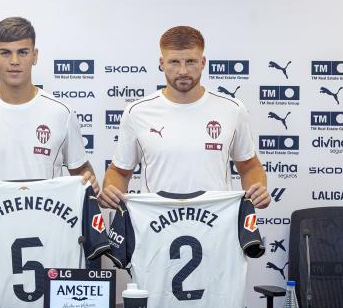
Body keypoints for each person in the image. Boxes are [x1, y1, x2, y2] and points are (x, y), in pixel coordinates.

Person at [98, 26, 270, 209]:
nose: (183, 71)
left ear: (203, 62)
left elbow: (249, 166)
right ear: (162, 63)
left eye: (190, 61)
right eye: (174, 62)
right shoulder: (137, 111)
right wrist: (111, 191)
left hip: (217, 225)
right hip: (156, 225)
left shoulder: (232, 109)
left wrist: (257, 190)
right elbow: (120, 172)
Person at [0, 16, 98, 192]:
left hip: (47, 218)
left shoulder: (61, 113)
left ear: (35, 55)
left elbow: (81, 171)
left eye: (22, 52)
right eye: (5, 52)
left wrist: (89, 179)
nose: (14, 61)